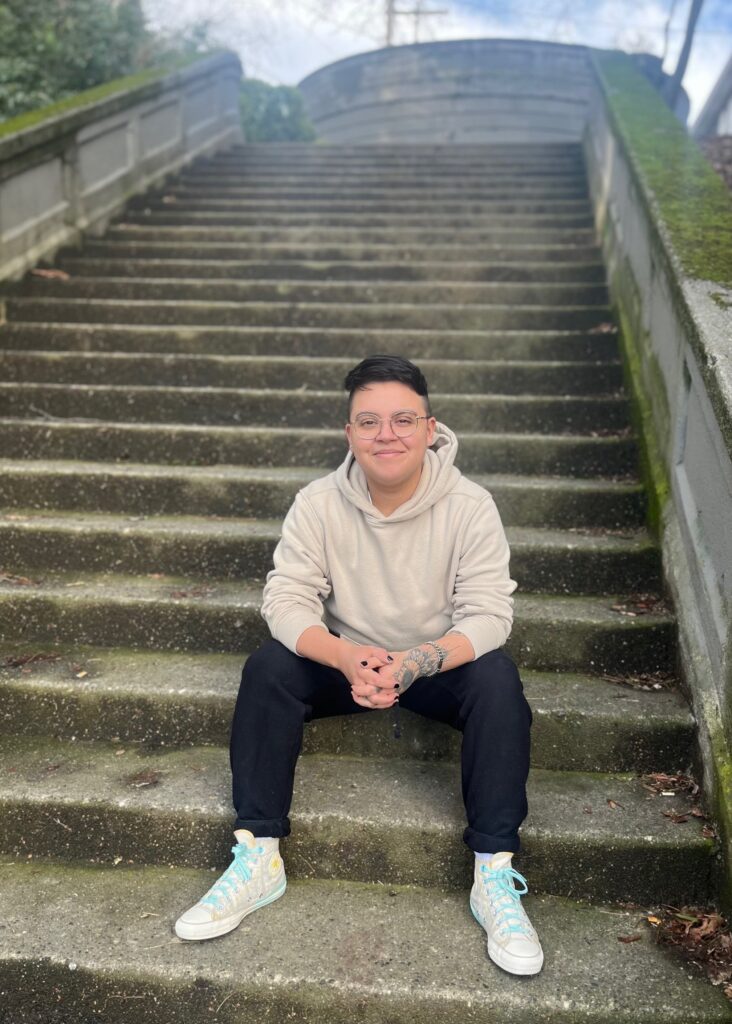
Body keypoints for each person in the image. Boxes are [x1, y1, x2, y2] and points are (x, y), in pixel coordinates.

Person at [175, 355, 543, 976]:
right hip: (349, 660)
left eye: (403, 419)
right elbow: (286, 599)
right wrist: (346, 656)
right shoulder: (318, 503)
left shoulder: (471, 506)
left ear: (431, 428)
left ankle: (494, 873)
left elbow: (488, 614)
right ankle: (259, 854)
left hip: (432, 667)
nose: (386, 434)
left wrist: (416, 662)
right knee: (269, 669)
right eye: (368, 421)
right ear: (349, 433)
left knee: (498, 679)